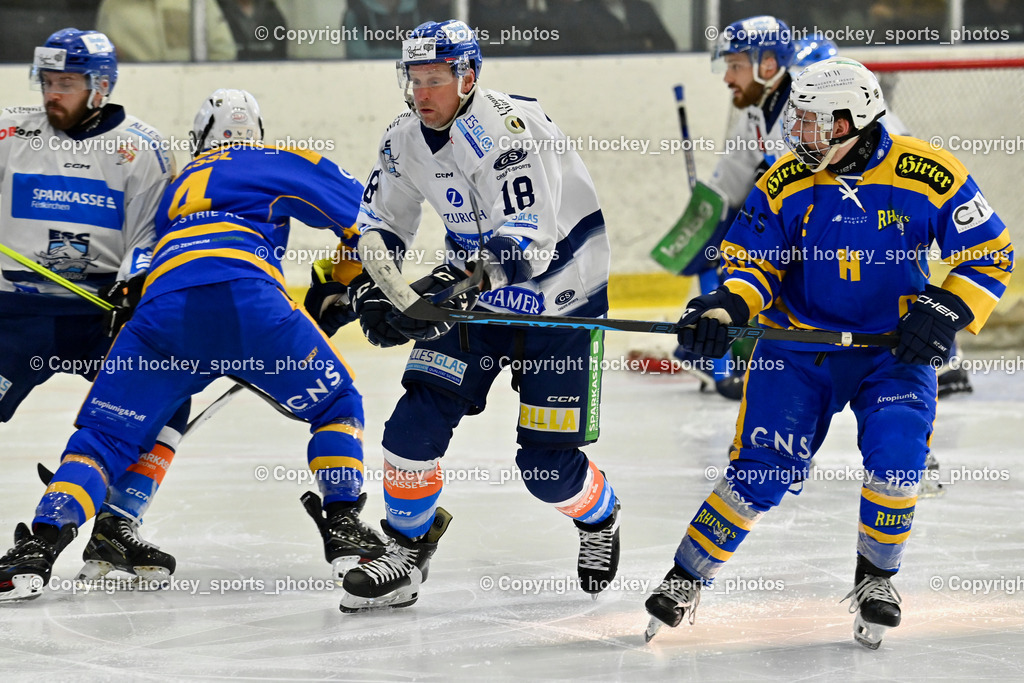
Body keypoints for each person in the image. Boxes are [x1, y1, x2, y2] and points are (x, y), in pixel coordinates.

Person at [643, 58, 1013, 648]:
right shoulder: (785, 179)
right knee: (759, 474)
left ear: (853, 122)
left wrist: (945, 310)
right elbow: (751, 264)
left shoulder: (929, 171)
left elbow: (991, 251)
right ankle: (685, 576)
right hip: (796, 349)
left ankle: (876, 580)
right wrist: (725, 310)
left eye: (814, 123)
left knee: (898, 462)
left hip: (891, 353)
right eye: (800, 120)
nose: (800, 134)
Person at [0, 88, 386, 601]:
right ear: (258, 133)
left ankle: (38, 549)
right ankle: (342, 525)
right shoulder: (278, 159)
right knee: (338, 403)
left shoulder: (174, 186)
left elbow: (137, 270)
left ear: (200, 138)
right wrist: (338, 283)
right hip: (248, 301)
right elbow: (369, 219)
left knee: (107, 437)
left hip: (161, 313)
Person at [331, 19, 620, 611]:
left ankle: (601, 519)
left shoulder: (510, 132)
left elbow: (529, 241)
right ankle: (406, 554)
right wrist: (377, 287)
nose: (422, 94)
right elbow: (381, 222)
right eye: (414, 79)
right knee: (411, 429)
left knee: (545, 469)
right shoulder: (402, 137)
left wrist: (450, 286)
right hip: (475, 299)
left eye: (435, 80)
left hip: (559, 302)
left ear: (468, 76)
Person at [0, 28, 194, 584]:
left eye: (67, 83)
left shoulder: (142, 148)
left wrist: (132, 293)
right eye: (48, 81)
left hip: (98, 316)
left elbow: (153, 238)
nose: (52, 93)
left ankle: (116, 524)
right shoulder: (11, 131)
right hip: (15, 312)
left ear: (100, 86)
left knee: (164, 402)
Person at [670, 15, 796, 400]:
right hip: (791, 236)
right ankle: (713, 354)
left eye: (736, 66)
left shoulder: (806, 110)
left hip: (832, 242)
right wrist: (706, 222)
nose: (727, 78)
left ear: (769, 64)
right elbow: (729, 184)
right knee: (718, 251)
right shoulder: (756, 114)